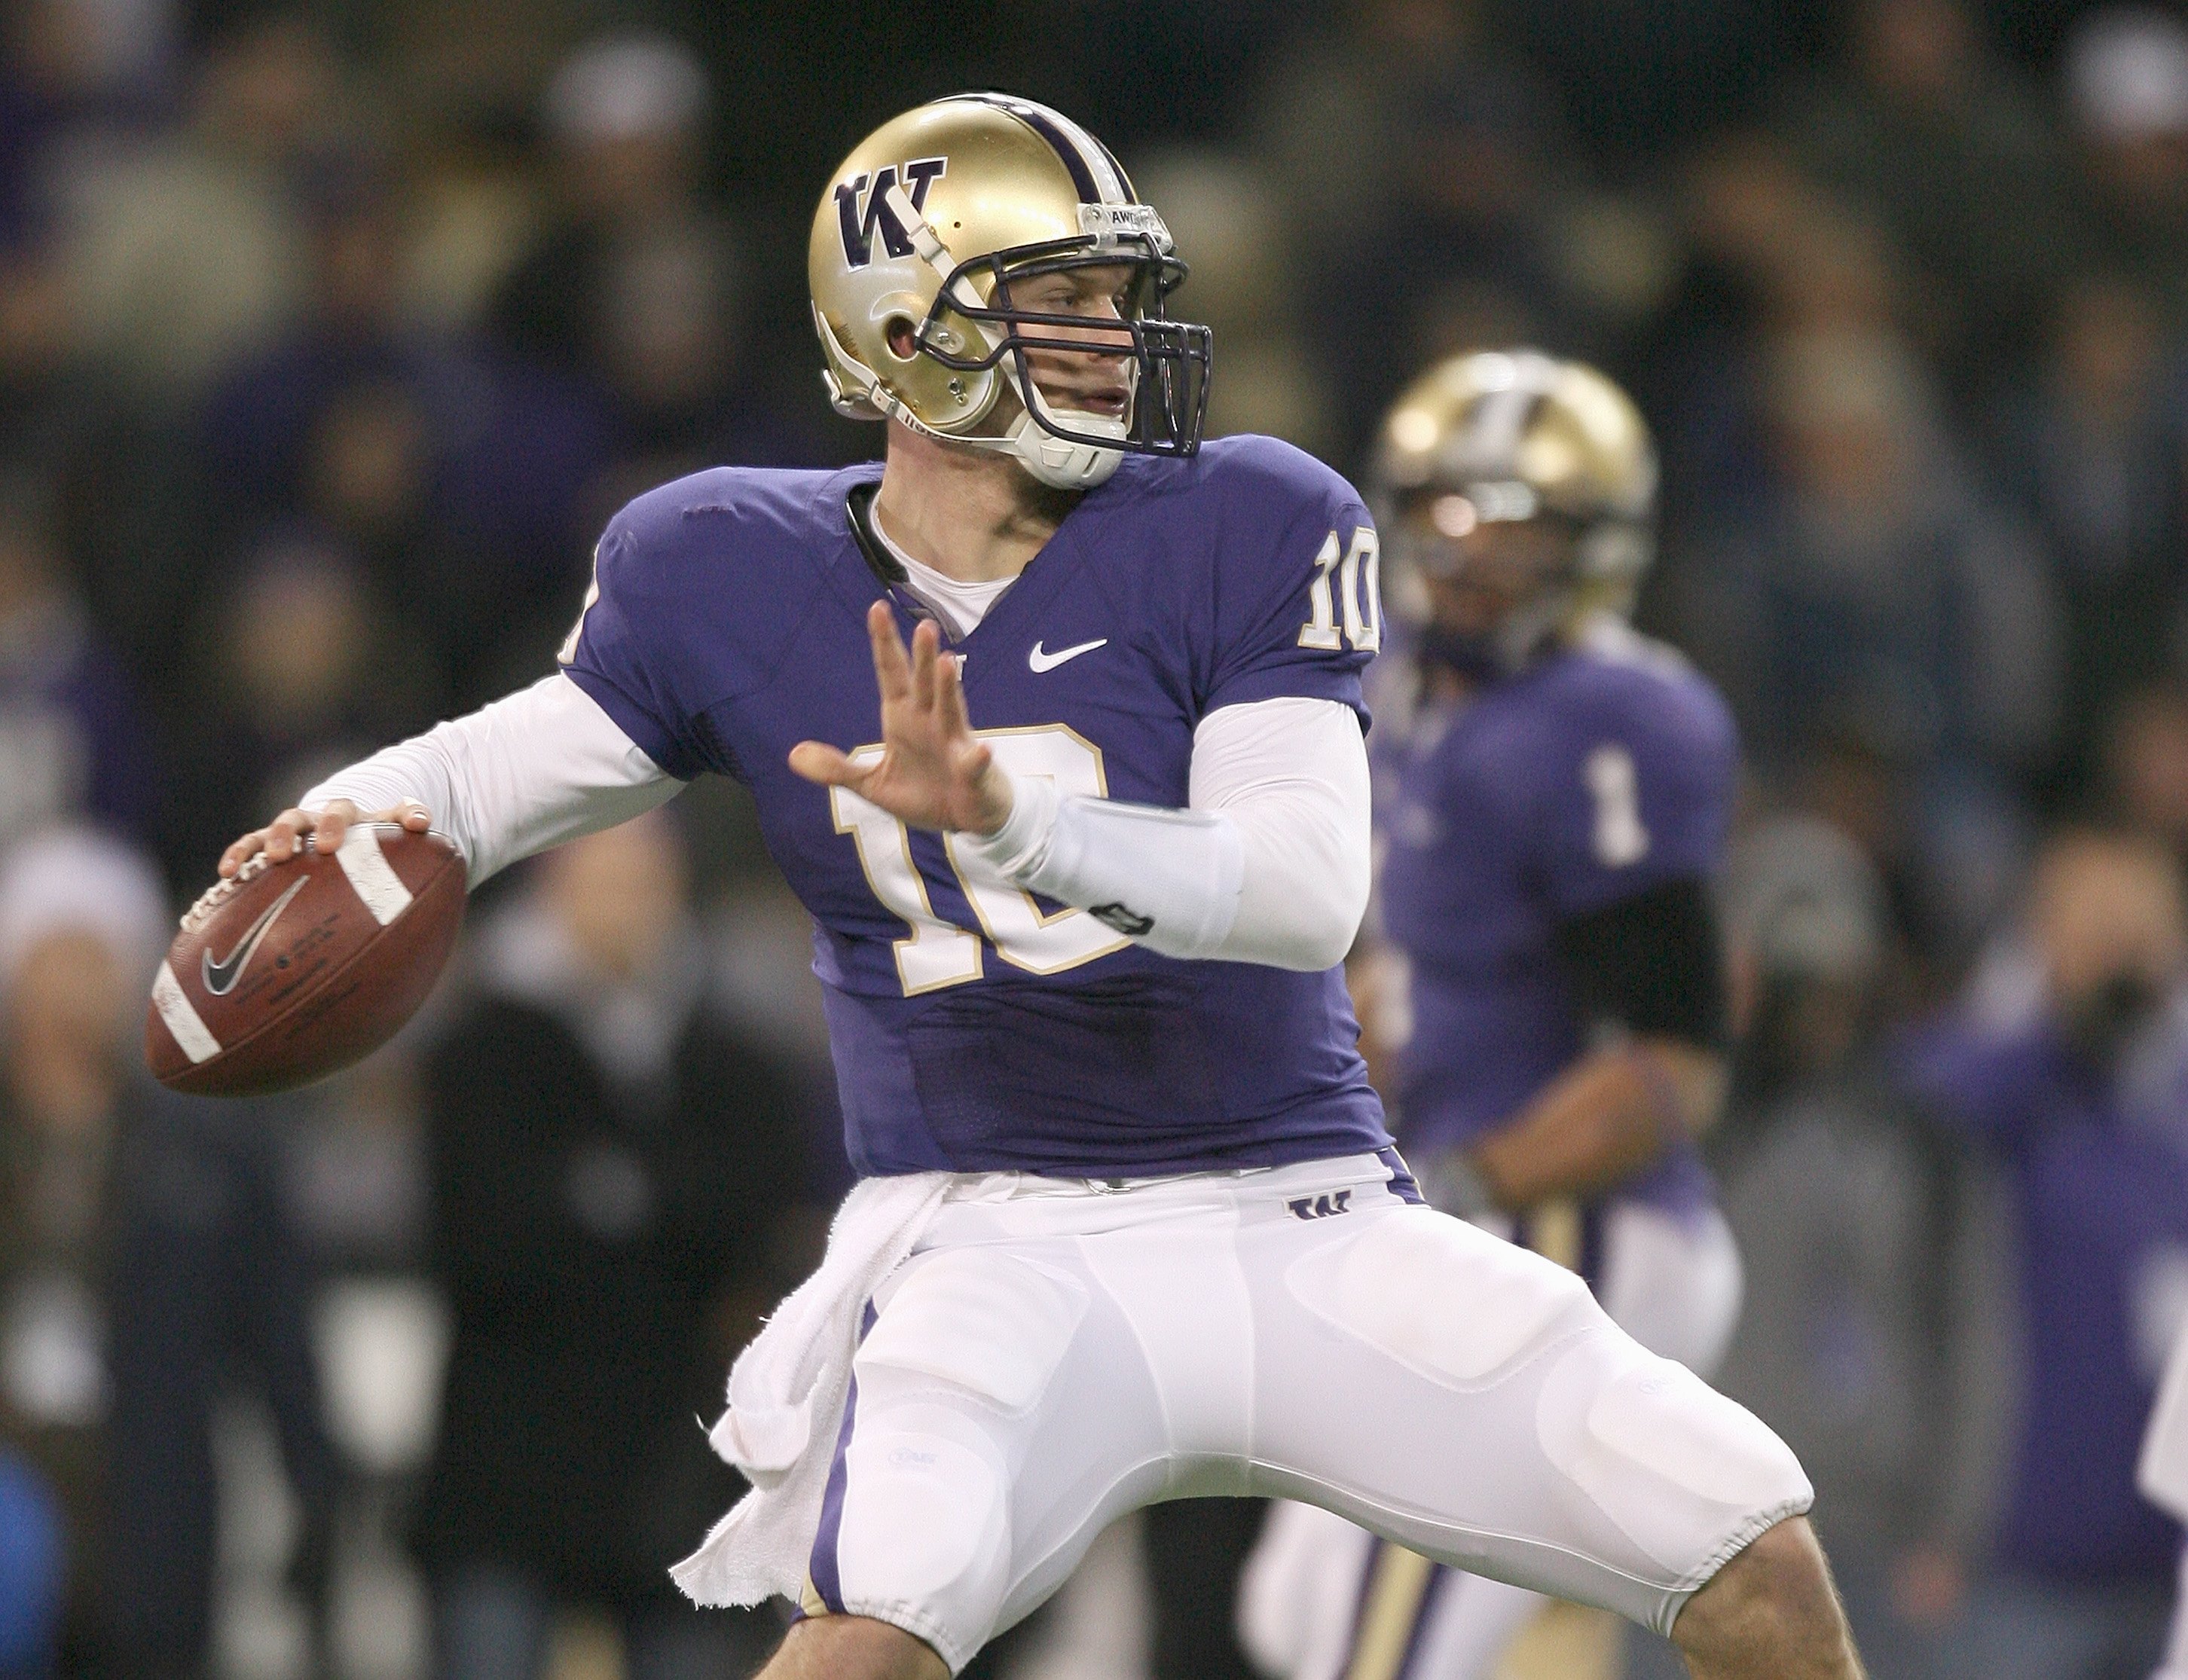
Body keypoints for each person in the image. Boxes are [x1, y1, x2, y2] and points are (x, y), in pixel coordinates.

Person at [215, 96, 1863, 1680]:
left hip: (1303, 1208)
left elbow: (1301, 887)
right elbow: (480, 782)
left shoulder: (1247, 517)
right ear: (901, 330)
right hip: (997, 1233)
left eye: (1116, 298)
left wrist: (1014, 817)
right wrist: (339, 820)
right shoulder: (722, 564)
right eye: (1057, 300)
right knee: (869, 1632)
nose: (1112, 339)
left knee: (1750, 1551)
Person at [1235, 350, 1743, 1680]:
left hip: (1567, 1225)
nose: (1472, 552)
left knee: (1384, 1646)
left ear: (1598, 545)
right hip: (1445, 1210)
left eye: (1521, 525)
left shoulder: (1611, 720)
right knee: (1293, 1615)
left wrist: (1467, 1183)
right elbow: (1396, 972)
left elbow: (1674, 1062)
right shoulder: (1388, 680)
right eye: (1449, 511)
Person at [414, 809, 817, 1680]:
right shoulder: (481, 1051)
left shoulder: (734, 1060)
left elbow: (763, 1237)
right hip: (509, 1469)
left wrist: (602, 1205)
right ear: (553, 890)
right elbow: (481, 1245)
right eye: (603, 884)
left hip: (680, 1471)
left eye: (644, 885)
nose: (627, 908)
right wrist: (660, 1220)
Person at [1899, 827, 2188, 1678]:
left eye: (2141, 927)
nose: (2123, 952)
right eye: (2098, 926)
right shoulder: (2014, 1088)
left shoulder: (2168, 1099)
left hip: (2164, 1564)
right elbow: (1916, 1109)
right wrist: (2063, 1015)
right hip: (2021, 1563)